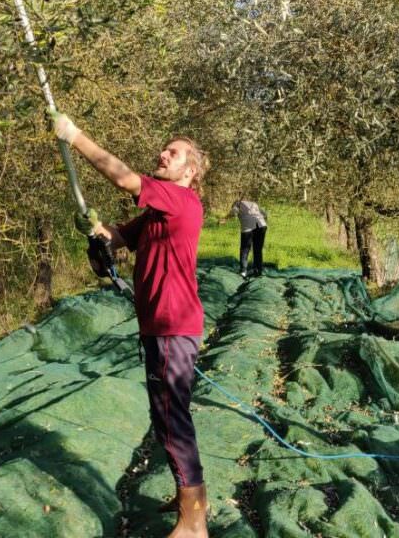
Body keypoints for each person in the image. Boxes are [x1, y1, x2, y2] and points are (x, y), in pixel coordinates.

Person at [53, 111, 209, 538]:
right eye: (165, 148)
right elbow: (117, 238)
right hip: (159, 326)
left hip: (173, 326)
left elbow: (124, 179)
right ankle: (186, 496)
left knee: (172, 417)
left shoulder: (182, 201)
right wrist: (94, 229)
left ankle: (195, 521)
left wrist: (76, 136)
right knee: (164, 417)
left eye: (172, 153)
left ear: (189, 171)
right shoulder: (159, 212)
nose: (163, 153)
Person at [230, 198, 267, 278]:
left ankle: (243, 271)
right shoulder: (254, 203)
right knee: (258, 249)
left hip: (248, 226)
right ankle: (258, 270)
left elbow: (234, 213)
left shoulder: (238, 204)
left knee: (245, 249)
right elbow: (264, 214)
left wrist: (226, 218)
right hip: (262, 225)